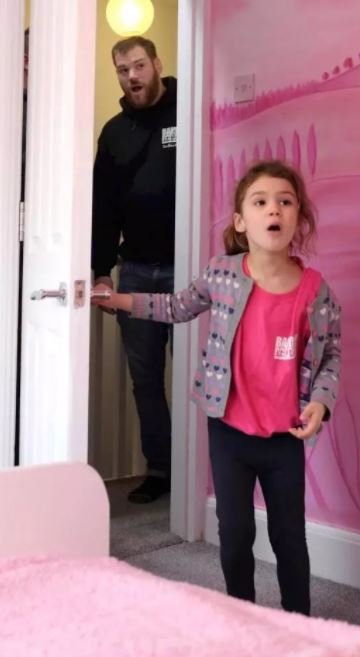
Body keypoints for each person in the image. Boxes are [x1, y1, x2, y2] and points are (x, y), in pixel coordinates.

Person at [92, 160, 342, 615]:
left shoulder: (315, 291)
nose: (274, 209)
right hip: (229, 432)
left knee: (289, 535)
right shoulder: (221, 275)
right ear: (241, 222)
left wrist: (321, 403)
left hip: (285, 437)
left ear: (298, 218)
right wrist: (118, 299)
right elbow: (175, 307)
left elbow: (330, 356)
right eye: (261, 202)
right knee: (236, 532)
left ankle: (300, 624)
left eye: (285, 202)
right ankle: (240, 616)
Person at [91, 36, 177, 503]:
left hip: (187, 270)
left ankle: (200, 474)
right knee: (145, 379)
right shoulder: (114, 133)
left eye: (139, 66)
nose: (132, 77)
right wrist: (102, 271)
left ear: (156, 64)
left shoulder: (188, 111)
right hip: (138, 271)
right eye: (123, 70)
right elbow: (103, 208)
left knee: (196, 373)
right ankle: (161, 470)